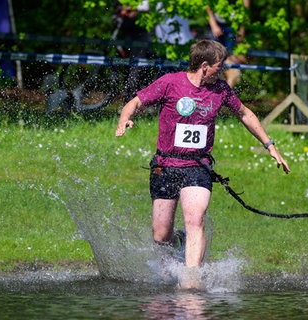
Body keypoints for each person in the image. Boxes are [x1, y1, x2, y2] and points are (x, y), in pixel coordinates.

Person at [115, 40, 290, 289]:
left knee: (195, 218)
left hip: (198, 167)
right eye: (219, 66)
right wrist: (125, 120)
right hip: (165, 166)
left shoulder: (220, 89)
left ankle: (191, 280)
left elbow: (245, 114)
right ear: (205, 66)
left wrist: (270, 146)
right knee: (160, 235)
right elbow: (134, 103)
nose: (223, 70)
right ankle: (180, 241)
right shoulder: (170, 83)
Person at [112, 1, 154, 101]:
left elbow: (147, 8)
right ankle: (126, 95)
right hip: (125, 33)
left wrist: (134, 10)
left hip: (141, 33)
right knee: (126, 65)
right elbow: (116, 7)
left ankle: (135, 96)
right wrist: (123, 9)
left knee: (139, 66)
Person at [205, 0, 250, 88]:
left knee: (229, 67)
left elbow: (245, 8)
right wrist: (213, 24)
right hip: (217, 23)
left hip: (232, 24)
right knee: (214, 59)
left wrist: (242, 29)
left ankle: (224, 94)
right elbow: (206, 5)